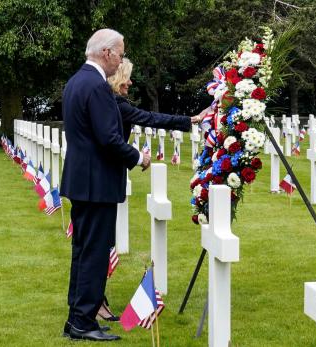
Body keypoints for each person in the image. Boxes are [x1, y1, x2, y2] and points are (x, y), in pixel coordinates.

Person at [94, 58, 203, 322]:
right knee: (98, 245)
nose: (131, 82)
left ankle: (95, 300)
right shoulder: (116, 104)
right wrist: (191, 119)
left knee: (95, 245)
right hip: (104, 181)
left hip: (100, 180)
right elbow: (151, 118)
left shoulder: (108, 101)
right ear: (117, 77)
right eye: (128, 77)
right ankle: (95, 302)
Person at [60, 28, 149, 341]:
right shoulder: (97, 86)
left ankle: (77, 318)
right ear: (107, 53)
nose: (121, 60)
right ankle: (83, 322)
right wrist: (138, 158)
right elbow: (108, 139)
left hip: (81, 182)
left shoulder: (75, 82)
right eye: (121, 53)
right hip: (96, 184)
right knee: (95, 253)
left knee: (83, 251)